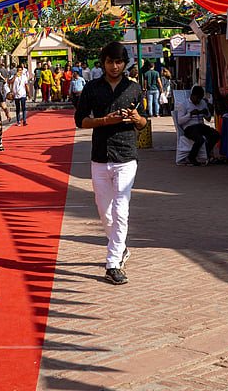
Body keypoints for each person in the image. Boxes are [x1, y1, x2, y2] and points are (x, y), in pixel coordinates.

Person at [74, 41, 148, 285]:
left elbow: (143, 122)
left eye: (118, 62)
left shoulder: (134, 88)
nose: (114, 66)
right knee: (105, 212)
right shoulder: (92, 88)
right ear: (103, 62)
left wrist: (138, 119)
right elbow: (81, 121)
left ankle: (113, 263)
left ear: (125, 63)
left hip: (127, 156)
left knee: (120, 210)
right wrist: (105, 120)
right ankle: (121, 248)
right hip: (100, 156)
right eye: (109, 62)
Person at [174, 85, 222, 166]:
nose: (198, 100)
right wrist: (190, 114)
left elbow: (209, 119)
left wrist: (206, 113)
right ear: (192, 96)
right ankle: (192, 157)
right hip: (189, 127)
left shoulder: (202, 103)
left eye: (200, 98)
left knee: (216, 135)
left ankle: (206, 152)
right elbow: (180, 121)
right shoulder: (183, 104)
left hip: (201, 126)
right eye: (197, 98)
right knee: (199, 139)